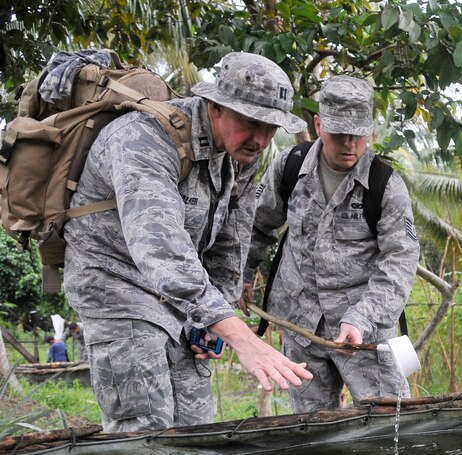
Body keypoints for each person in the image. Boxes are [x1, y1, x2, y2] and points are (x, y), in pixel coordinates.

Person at [63, 51, 313, 433]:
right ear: (215, 106)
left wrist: (214, 320)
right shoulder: (143, 137)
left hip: (182, 298)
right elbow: (160, 248)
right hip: (116, 285)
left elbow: (231, 243)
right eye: (250, 122)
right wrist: (240, 337)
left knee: (197, 429)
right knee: (148, 431)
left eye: (271, 127)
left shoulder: (242, 154)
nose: (261, 139)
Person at [240, 75, 420, 413]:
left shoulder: (386, 185)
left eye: (358, 134)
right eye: (339, 134)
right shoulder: (289, 166)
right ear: (320, 124)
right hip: (301, 325)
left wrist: (362, 318)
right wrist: (244, 273)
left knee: (390, 422)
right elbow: (256, 225)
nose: (349, 144)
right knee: (312, 429)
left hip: (366, 334)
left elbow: (400, 262)